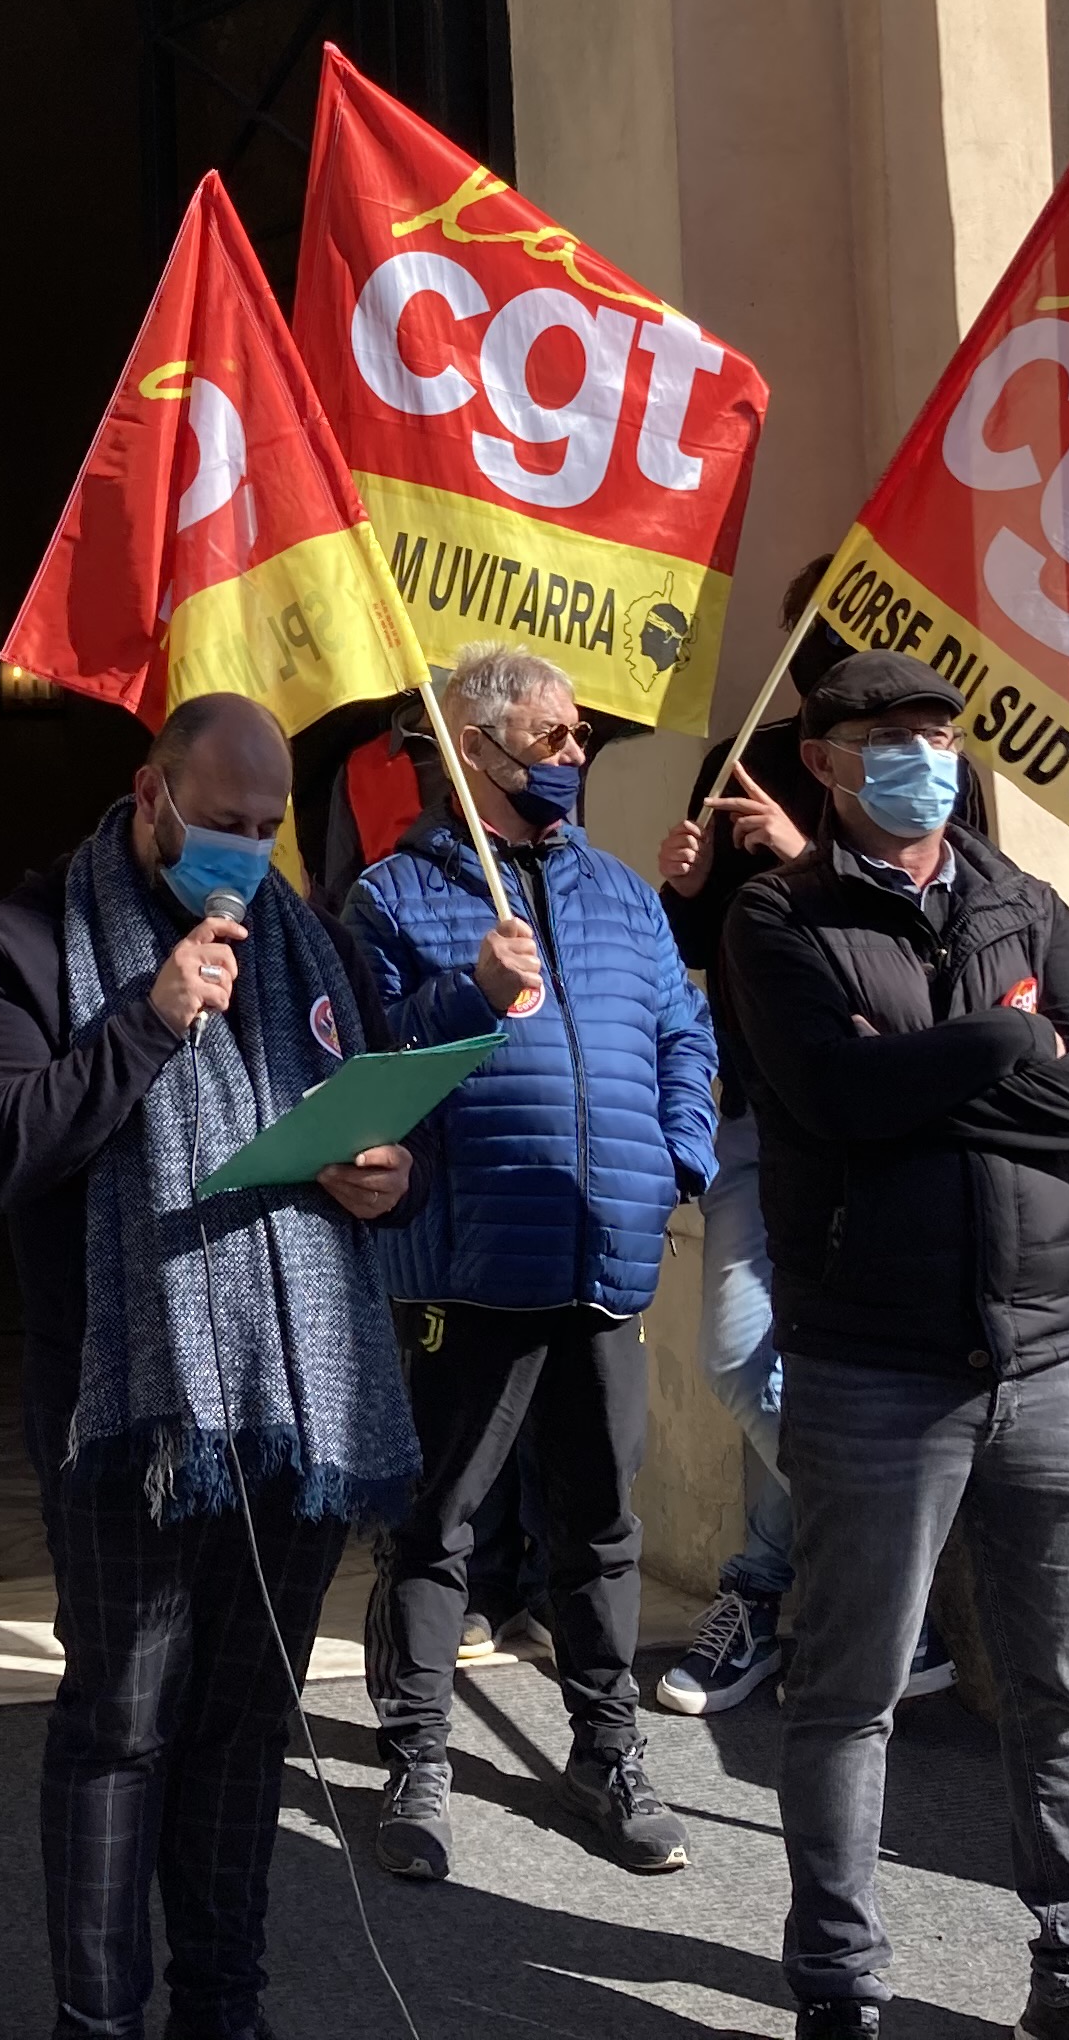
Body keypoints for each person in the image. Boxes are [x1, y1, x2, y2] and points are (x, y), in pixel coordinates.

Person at [0, 690, 427, 2040]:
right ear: (152, 795)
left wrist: (387, 1172)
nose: (252, 853)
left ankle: (225, 2002)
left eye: (272, 829)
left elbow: (368, 1100)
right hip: (128, 1408)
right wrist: (146, 1022)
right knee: (124, 1720)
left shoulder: (311, 947)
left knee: (242, 1720)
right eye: (226, 824)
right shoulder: (31, 939)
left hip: (291, 1398)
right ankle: (97, 2019)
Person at [724, 649, 1069, 2040]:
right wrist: (1001, 1048)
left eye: (941, 730)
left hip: (1054, 1353)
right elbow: (835, 1099)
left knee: (1062, 1689)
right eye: (893, 734)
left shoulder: (1021, 900)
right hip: (874, 1364)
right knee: (849, 1695)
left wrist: (939, 1068)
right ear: (826, 761)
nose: (926, 753)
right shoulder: (776, 915)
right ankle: (840, 1988)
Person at [344, 643, 718, 1884]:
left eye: (578, 740)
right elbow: (358, 1063)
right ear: (477, 749)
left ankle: (605, 1753)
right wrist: (467, 991)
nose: (574, 757)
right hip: (464, 1260)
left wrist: (680, 1155)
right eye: (553, 739)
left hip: (603, 1253)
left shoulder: (620, 893)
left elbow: (682, 1031)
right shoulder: (393, 897)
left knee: (602, 1522)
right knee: (437, 1520)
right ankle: (417, 1756)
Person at [651, 559, 957, 1721]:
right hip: (757, 1110)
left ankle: (769, 1592)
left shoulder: (934, 780)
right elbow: (703, 935)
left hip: (877, 1120)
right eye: (822, 641)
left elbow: (935, 937)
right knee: (743, 1360)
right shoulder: (747, 757)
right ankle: (890, 1581)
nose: (844, 665)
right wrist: (683, 882)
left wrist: (799, 852)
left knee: (810, 1369)